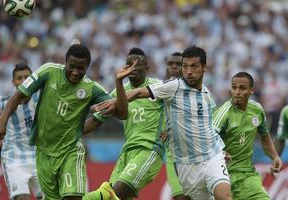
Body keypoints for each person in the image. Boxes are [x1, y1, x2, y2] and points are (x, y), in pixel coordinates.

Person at [0, 44, 132, 200]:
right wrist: (2, 121)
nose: (75, 72)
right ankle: (102, 195)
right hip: (43, 153)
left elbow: (123, 113)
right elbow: (18, 96)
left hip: (70, 152)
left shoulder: (91, 88)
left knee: (72, 198)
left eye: (81, 68)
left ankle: (101, 196)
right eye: (71, 66)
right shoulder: (49, 71)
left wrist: (118, 83)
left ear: (87, 67)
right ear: (65, 62)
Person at [96, 46, 233, 200]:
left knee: (225, 196)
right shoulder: (173, 86)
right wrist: (115, 100)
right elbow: (138, 92)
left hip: (211, 158)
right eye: (185, 66)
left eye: (194, 66)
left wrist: (220, 148)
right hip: (186, 164)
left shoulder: (207, 94)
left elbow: (208, 127)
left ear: (204, 68)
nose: (188, 71)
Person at [84, 47, 167, 200]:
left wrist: (171, 127)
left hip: (149, 149)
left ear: (147, 68)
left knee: (112, 195)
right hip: (126, 152)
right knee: (116, 197)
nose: (133, 68)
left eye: (138, 64)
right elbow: (96, 120)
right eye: (129, 64)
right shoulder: (117, 92)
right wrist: (70, 132)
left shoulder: (158, 87)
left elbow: (178, 105)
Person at [212, 72, 283, 200]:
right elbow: (207, 140)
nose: (237, 92)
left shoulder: (257, 110)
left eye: (242, 88)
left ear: (251, 90)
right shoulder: (223, 113)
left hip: (247, 175)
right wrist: (220, 152)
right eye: (234, 87)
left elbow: (264, 137)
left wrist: (274, 156)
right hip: (223, 176)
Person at [0, 63, 42, 200]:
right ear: (13, 83)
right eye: (19, 78)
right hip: (15, 160)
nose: (24, 81)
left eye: (27, 77)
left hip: (40, 160)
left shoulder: (42, 100)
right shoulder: (2, 104)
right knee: (22, 198)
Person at [165, 52, 190, 200]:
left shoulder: (199, 91)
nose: (174, 67)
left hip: (196, 156)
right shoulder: (159, 89)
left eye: (178, 64)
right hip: (173, 155)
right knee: (180, 196)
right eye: (170, 64)